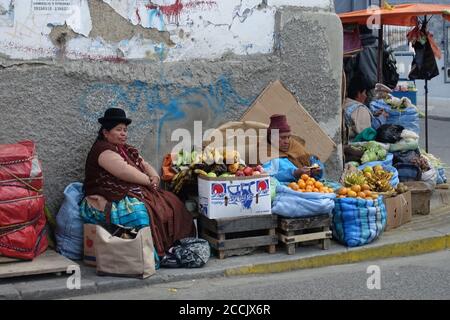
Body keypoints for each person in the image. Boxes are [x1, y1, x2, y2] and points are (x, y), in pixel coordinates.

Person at [80, 108, 196, 258]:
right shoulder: (102, 150)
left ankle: (173, 243)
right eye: (118, 130)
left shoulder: (126, 149)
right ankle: (145, 255)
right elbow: (124, 171)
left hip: (131, 189)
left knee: (170, 201)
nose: (123, 133)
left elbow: (144, 164)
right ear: (105, 132)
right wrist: (148, 181)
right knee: (140, 211)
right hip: (105, 197)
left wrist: (155, 177)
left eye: (125, 130)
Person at [261, 114, 323, 183]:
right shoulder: (266, 153)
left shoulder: (294, 145)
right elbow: (267, 178)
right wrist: (294, 173)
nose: (287, 142)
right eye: (282, 137)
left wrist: (315, 170)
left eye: (288, 137)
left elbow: (312, 159)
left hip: (308, 185)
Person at [343, 73, 389, 144]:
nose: (366, 96)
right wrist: (381, 119)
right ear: (358, 94)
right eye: (364, 93)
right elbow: (367, 135)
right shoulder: (360, 109)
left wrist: (374, 115)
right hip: (354, 146)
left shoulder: (345, 103)